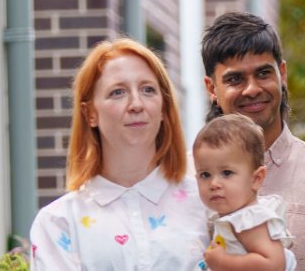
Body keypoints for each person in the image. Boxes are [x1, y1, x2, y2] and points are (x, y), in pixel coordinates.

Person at [200, 12, 305, 271]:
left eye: (263, 73)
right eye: (235, 79)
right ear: (211, 89)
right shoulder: (182, 179)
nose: (252, 89)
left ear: (282, 74)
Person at [30, 38, 209, 270]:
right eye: (118, 92)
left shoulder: (207, 203)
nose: (136, 104)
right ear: (90, 113)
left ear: (164, 107)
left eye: (148, 90)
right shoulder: (58, 222)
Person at [193, 114, 298, 271]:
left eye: (227, 173)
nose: (214, 184)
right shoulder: (233, 216)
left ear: (256, 178)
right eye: (205, 175)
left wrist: (222, 262)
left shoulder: (249, 220)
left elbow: (274, 264)